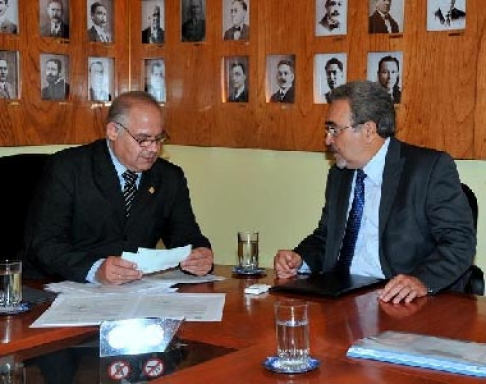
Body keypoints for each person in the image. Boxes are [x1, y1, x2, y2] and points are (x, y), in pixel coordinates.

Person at [274, 80, 476, 304]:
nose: (327, 140)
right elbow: (326, 236)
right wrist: (300, 259)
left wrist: (421, 280)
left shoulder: (428, 169)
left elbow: (459, 242)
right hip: (338, 294)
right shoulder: (340, 174)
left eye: (334, 130)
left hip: (398, 301)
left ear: (369, 130)